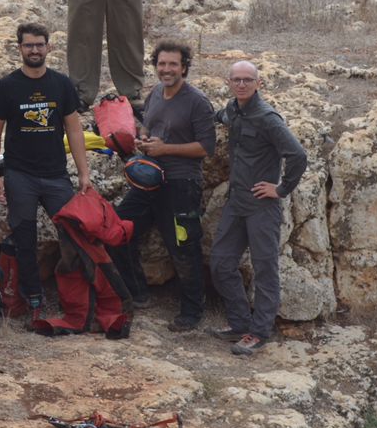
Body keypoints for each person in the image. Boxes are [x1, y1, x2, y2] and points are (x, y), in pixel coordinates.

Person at [0, 23, 93, 320]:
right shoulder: (8, 86)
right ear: (19, 48)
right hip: (20, 174)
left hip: (56, 174)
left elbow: (74, 128)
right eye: (28, 45)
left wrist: (83, 173)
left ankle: (75, 298)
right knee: (25, 239)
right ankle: (32, 299)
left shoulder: (61, 84)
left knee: (73, 233)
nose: (34, 50)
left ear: (49, 47)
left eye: (39, 45)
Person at [112, 41, 216, 331]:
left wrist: (166, 149)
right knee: (119, 229)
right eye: (162, 64)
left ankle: (192, 312)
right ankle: (138, 293)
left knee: (183, 246)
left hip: (182, 184)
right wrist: (141, 140)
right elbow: (149, 125)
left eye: (173, 64)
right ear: (155, 66)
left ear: (184, 67)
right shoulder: (156, 92)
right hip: (148, 180)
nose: (167, 69)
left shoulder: (197, 101)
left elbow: (207, 148)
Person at [209, 61, 308, 355]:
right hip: (236, 203)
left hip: (262, 207)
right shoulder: (234, 110)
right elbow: (219, 116)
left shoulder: (268, 118)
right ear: (229, 82)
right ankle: (240, 324)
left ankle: (259, 332)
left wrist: (280, 189)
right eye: (236, 80)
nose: (241, 84)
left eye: (247, 80)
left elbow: (298, 155)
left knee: (265, 269)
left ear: (258, 83)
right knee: (221, 262)